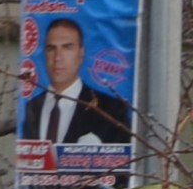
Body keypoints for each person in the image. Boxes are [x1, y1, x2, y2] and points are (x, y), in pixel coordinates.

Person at [19, 15, 134, 149]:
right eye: (51, 49)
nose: (58, 57)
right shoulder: (31, 108)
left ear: (81, 53)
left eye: (67, 47)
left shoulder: (110, 110)